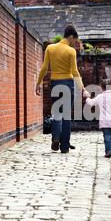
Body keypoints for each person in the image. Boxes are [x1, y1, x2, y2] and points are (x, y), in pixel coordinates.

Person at [35, 25, 89, 153]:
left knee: (57, 113)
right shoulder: (70, 51)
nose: (74, 44)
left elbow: (44, 67)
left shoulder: (50, 48)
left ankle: (55, 137)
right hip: (68, 84)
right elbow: (75, 71)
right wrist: (82, 89)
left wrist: (38, 83)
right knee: (66, 115)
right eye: (74, 41)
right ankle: (64, 146)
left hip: (54, 83)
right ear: (71, 37)